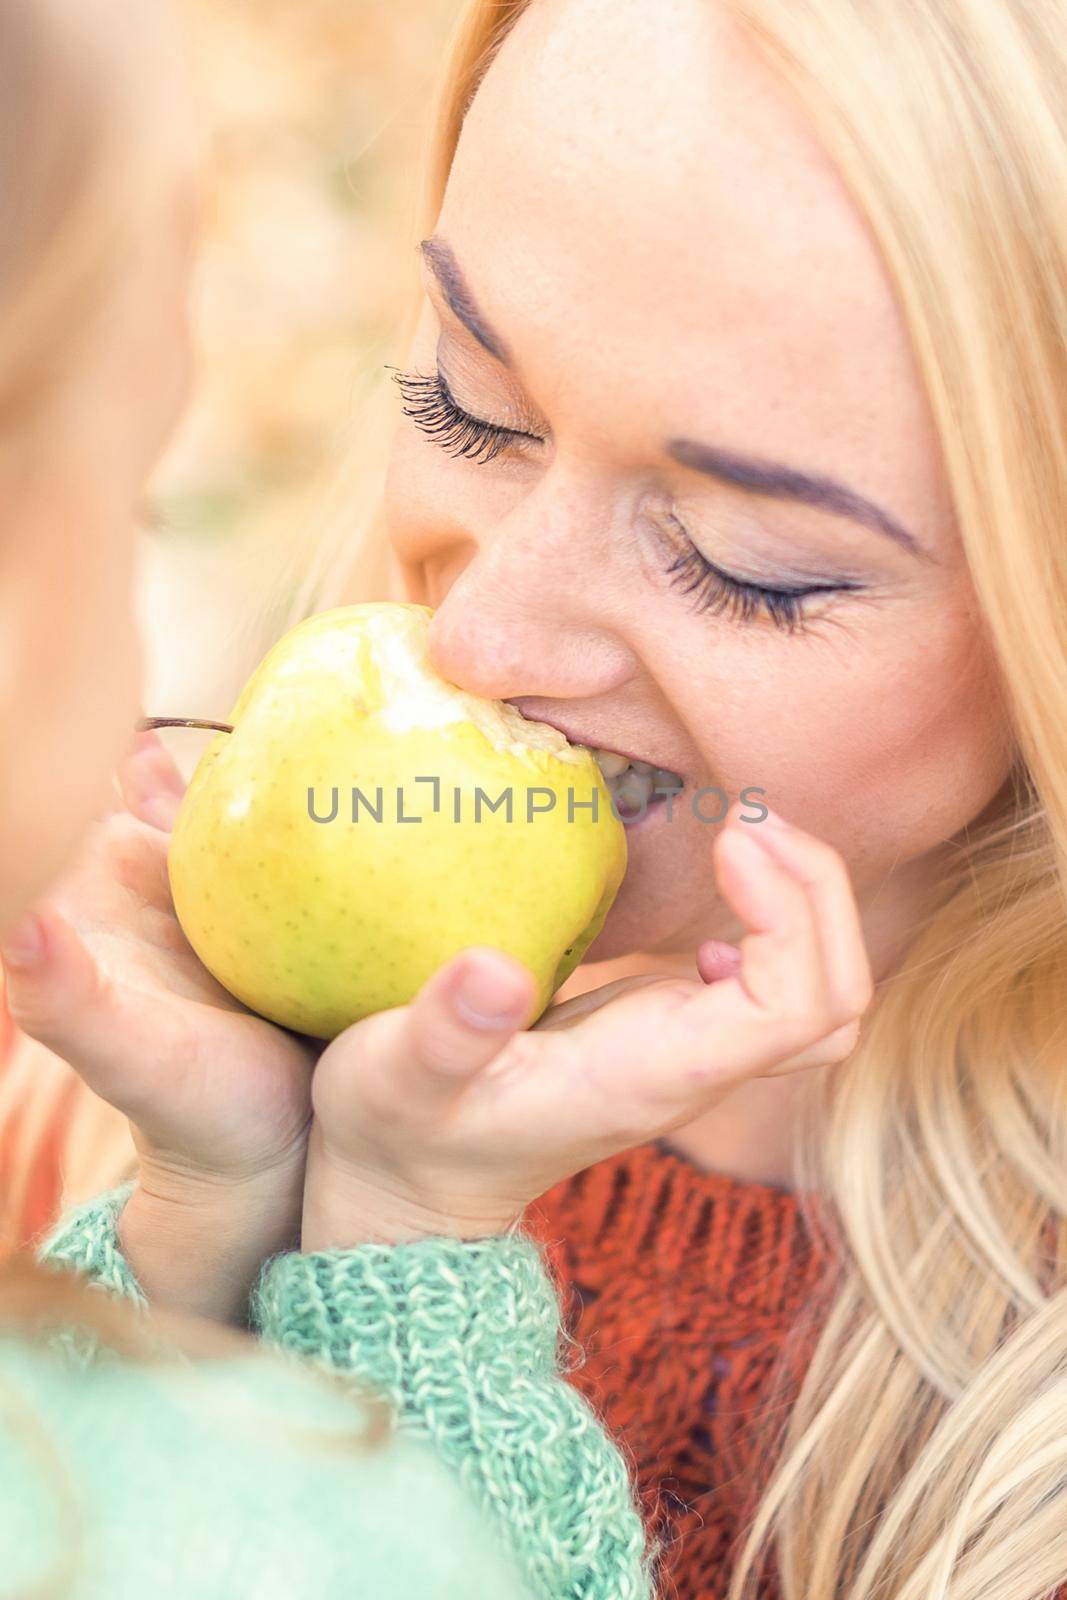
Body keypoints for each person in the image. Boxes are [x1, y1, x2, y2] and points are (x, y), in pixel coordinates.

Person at [7, 3, 1067, 1600]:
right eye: (469, 404)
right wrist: (216, 1223)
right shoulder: (103, 1056)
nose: (479, 638)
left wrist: (410, 1289)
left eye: (744, 561)